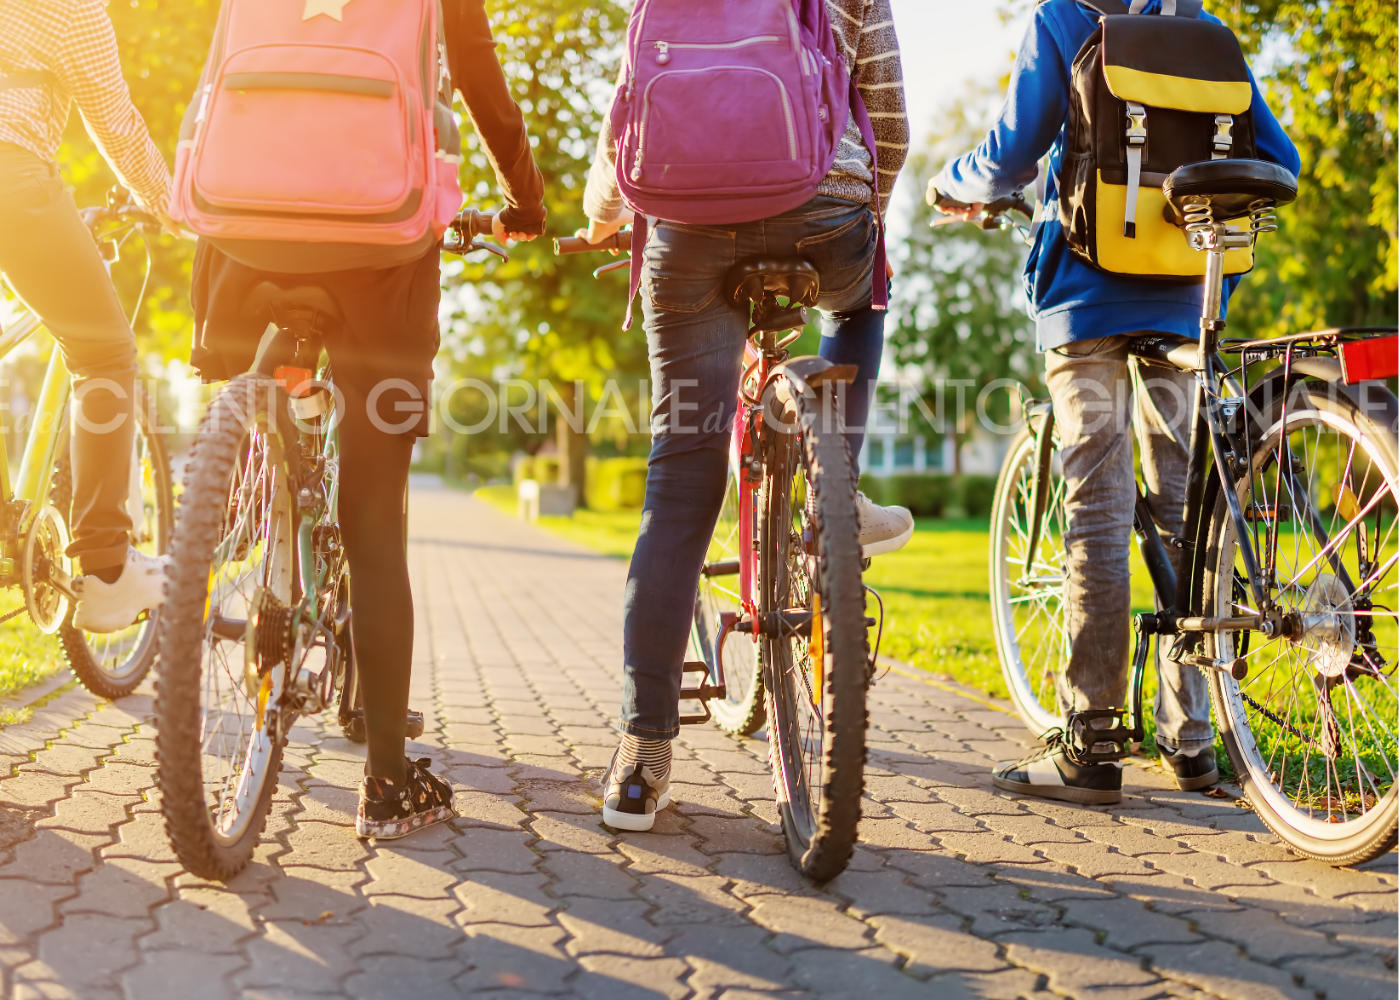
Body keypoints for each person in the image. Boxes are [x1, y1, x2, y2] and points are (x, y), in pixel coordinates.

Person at [189, 0, 546, 840]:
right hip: (382, 243)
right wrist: (523, 198)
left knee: (252, 389)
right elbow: (482, 82)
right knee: (375, 521)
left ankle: (254, 490)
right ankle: (387, 782)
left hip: (245, 230)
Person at [930, 0, 1301, 804]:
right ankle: (1193, 740)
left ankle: (1091, 743)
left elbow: (1007, 158)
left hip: (1086, 303)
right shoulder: (1201, 28)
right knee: (1184, 513)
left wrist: (950, 183)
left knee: (1095, 506)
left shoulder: (1064, 19)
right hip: (1185, 302)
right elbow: (1279, 156)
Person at [581, 0, 910, 832]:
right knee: (863, 299)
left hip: (689, 223)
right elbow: (891, 115)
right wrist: (871, 200)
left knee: (681, 485)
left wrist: (604, 214)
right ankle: (839, 494)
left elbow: (634, 91)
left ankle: (642, 756)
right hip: (824, 208)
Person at [0, 0, 180, 633]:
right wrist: (172, 205)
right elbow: (117, 124)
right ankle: (106, 573)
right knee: (104, 353)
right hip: (11, 174)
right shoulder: (72, 8)